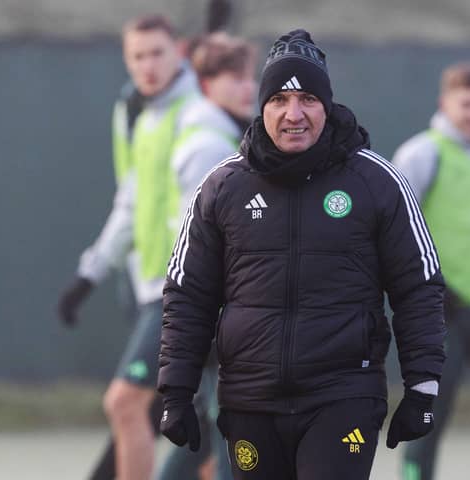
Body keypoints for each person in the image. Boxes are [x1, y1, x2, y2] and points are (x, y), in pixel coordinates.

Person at [156, 29, 447, 480]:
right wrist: (177, 391)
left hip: (343, 394)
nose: (294, 115)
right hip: (249, 399)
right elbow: (187, 293)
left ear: (326, 106)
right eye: (279, 101)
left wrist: (422, 387)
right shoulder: (223, 186)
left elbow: (418, 286)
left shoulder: (376, 180)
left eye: (308, 99)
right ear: (263, 106)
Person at [56, 14, 244, 479]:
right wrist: (90, 273)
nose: (148, 65)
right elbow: (131, 202)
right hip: (154, 287)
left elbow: (209, 217)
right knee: (205, 414)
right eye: (137, 56)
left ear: (178, 53)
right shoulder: (146, 117)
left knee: (126, 402)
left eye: (157, 53)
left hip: (182, 291)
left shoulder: (198, 121)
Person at [157, 32, 257, 480]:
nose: (248, 87)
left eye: (249, 77)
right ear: (205, 83)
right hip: (215, 307)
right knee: (227, 424)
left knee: (207, 422)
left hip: (218, 306)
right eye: (234, 78)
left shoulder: (226, 134)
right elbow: (199, 241)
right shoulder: (212, 148)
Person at [393, 62, 470, 480]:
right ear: (444, 103)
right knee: (426, 416)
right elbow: (395, 232)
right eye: (467, 103)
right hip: (441, 317)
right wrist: (431, 287)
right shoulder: (423, 153)